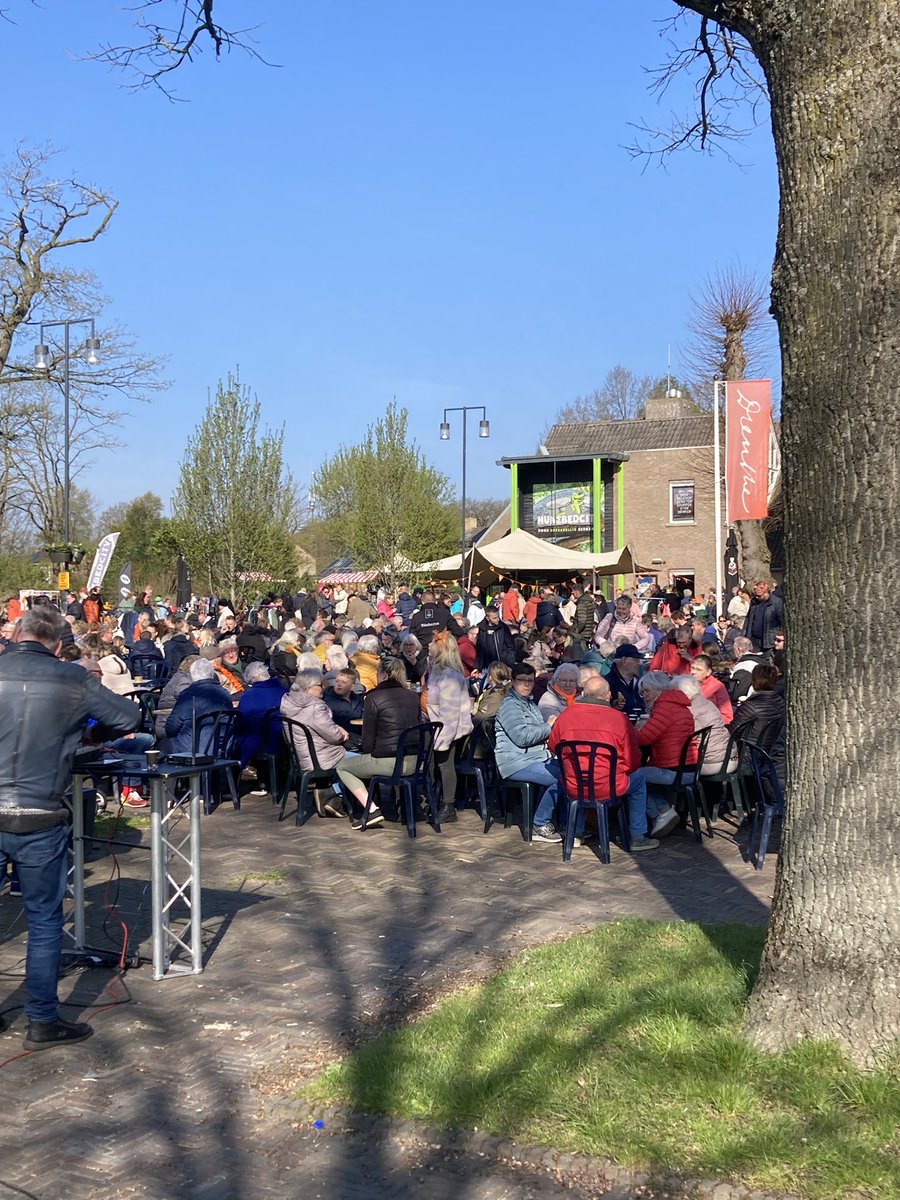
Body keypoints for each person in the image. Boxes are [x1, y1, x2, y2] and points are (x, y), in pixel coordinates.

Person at [0, 606, 140, 1049]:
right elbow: (130, 719)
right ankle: (41, 1021)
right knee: (43, 921)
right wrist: (84, 735)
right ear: (59, 644)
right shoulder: (72, 678)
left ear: (16, 632)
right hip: (40, 813)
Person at [547, 674, 657, 851]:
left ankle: (576, 833)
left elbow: (554, 746)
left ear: (583, 693)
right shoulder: (619, 719)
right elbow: (632, 760)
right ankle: (638, 836)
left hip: (574, 785)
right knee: (638, 780)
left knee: (577, 777)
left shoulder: (566, 716)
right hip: (609, 786)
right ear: (608, 696)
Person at [335, 656, 421, 827]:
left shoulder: (374, 697)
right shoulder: (413, 696)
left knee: (342, 767)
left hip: (388, 761)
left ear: (383, 674)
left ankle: (371, 809)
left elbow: (368, 740)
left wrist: (367, 751)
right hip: (415, 761)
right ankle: (402, 804)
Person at [492, 663, 562, 843]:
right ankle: (539, 824)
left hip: (535, 758)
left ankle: (567, 822)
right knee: (563, 779)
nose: (526, 684)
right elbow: (521, 737)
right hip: (516, 761)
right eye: (522, 680)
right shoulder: (510, 705)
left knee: (572, 771)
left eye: (530, 681)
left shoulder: (530, 704)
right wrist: (548, 726)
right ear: (513, 682)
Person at [634, 671, 696, 839]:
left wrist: (629, 729)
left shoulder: (664, 708)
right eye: (642, 692)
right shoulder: (678, 706)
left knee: (632, 777)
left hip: (673, 770)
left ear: (659, 689)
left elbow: (644, 739)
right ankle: (662, 812)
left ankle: (660, 813)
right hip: (688, 767)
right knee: (643, 775)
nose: (644, 695)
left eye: (647, 690)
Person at [280, 668, 349, 817]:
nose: (323, 688)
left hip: (300, 759)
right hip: (321, 759)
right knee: (361, 763)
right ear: (308, 687)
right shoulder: (315, 706)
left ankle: (333, 800)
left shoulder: (289, 703)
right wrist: (341, 733)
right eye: (320, 685)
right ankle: (331, 793)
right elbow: (334, 737)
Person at [425, 632, 474, 823]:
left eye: (432, 643)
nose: (429, 646)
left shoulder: (450, 676)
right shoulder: (436, 671)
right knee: (430, 764)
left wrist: (442, 739)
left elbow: (450, 712)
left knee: (445, 765)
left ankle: (448, 806)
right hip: (433, 727)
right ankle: (434, 799)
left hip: (446, 730)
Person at [164, 659, 232, 756]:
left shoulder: (187, 695)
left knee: (163, 745)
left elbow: (171, 727)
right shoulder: (225, 694)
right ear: (212, 674)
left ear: (192, 676)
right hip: (222, 747)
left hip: (192, 750)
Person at [235, 661, 286, 775]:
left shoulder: (250, 695)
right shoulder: (284, 691)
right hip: (286, 739)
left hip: (262, 742)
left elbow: (241, 720)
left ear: (253, 678)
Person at [322, 667, 365, 748]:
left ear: (352, 687)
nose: (339, 684)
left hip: (359, 739)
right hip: (341, 742)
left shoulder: (358, 699)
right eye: (337, 681)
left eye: (344, 682)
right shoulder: (327, 700)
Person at [689, 654, 734, 724]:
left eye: (698, 669)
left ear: (708, 672)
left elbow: (727, 716)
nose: (693, 672)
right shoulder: (686, 682)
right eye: (692, 668)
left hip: (709, 726)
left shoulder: (717, 687)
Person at [743, 579, 785, 654]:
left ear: (766, 593)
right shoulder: (754, 603)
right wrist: (745, 635)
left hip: (769, 641)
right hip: (754, 641)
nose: (756, 597)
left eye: (759, 596)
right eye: (755, 595)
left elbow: (782, 621)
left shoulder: (776, 603)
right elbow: (748, 619)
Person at [605, 645, 645, 720]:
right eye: (635, 660)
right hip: (619, 724)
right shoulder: (607, 683)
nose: (639, 663)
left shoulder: (640, 681)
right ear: (624, 660)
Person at [475, 604, 517, 671]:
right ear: (487, 618)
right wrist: (477, 667)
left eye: (498, 617)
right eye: (494, 618)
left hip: (502, 664)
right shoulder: (482, 628)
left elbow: (511, 646)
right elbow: (479, 648)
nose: (497, 619)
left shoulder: (503, 628)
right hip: (486, 665)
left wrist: (509, 662)